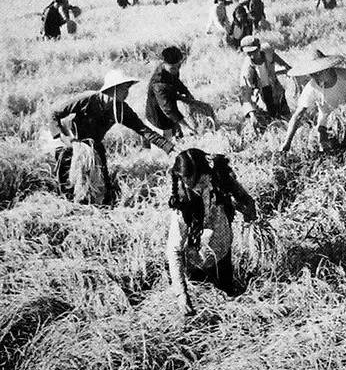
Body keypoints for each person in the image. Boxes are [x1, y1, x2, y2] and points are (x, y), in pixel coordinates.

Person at [51, 70, 174, 203]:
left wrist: (168, 147)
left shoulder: (121, 109)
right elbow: (54, 114)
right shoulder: (87, 99)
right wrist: (63, 136)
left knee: (102, 183)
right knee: (67, 183)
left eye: (127, 89)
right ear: (112, 89)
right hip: (71, 143)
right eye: (123, 89)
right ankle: (68, 204)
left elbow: (143, 130)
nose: (127, 93)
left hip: (94, 146)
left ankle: (101, 205)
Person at [166, 149, 257, 315]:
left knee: (230, 304)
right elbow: (174, 250)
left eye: (200, 181)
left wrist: (249, 215)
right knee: (206, 309)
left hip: (222, 252)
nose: (197, 187)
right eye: (187, 182)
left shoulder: (219, 179)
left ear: (206, 173)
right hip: (196, 263)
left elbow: (243, 199)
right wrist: (181, 294)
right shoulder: (182, 202)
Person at [280, 49, 346, 152]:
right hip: (325, 122)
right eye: (311, 74)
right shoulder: (311, 87)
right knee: (327, 149)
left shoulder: (343, 74)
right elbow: (298, 115)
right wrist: (287, 142)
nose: (314, 77)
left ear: (326, 69)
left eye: (317, 73)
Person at [145, 46, 199, 141]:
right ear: (164, 63)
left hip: (168, 113)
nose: (177, 70)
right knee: (166, 148)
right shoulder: (158, 83)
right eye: (173, 68)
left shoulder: (170, 69)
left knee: (177, 137)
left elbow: (176, 81)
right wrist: (186, 126)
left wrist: (186, 93)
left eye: (179, 66)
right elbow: (168, 109)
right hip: (158, 121)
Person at [239, 36, 291, 125]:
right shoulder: (247, 70)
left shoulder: (266, 50)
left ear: (259, 48)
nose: (252, 56)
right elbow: (245, 96)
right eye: (248, 53)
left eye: (254, 52)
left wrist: (286, 66)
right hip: (263, 94)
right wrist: (252, 115)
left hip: (276, 89)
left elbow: (274, 56)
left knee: (286, 115)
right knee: (271, 120)